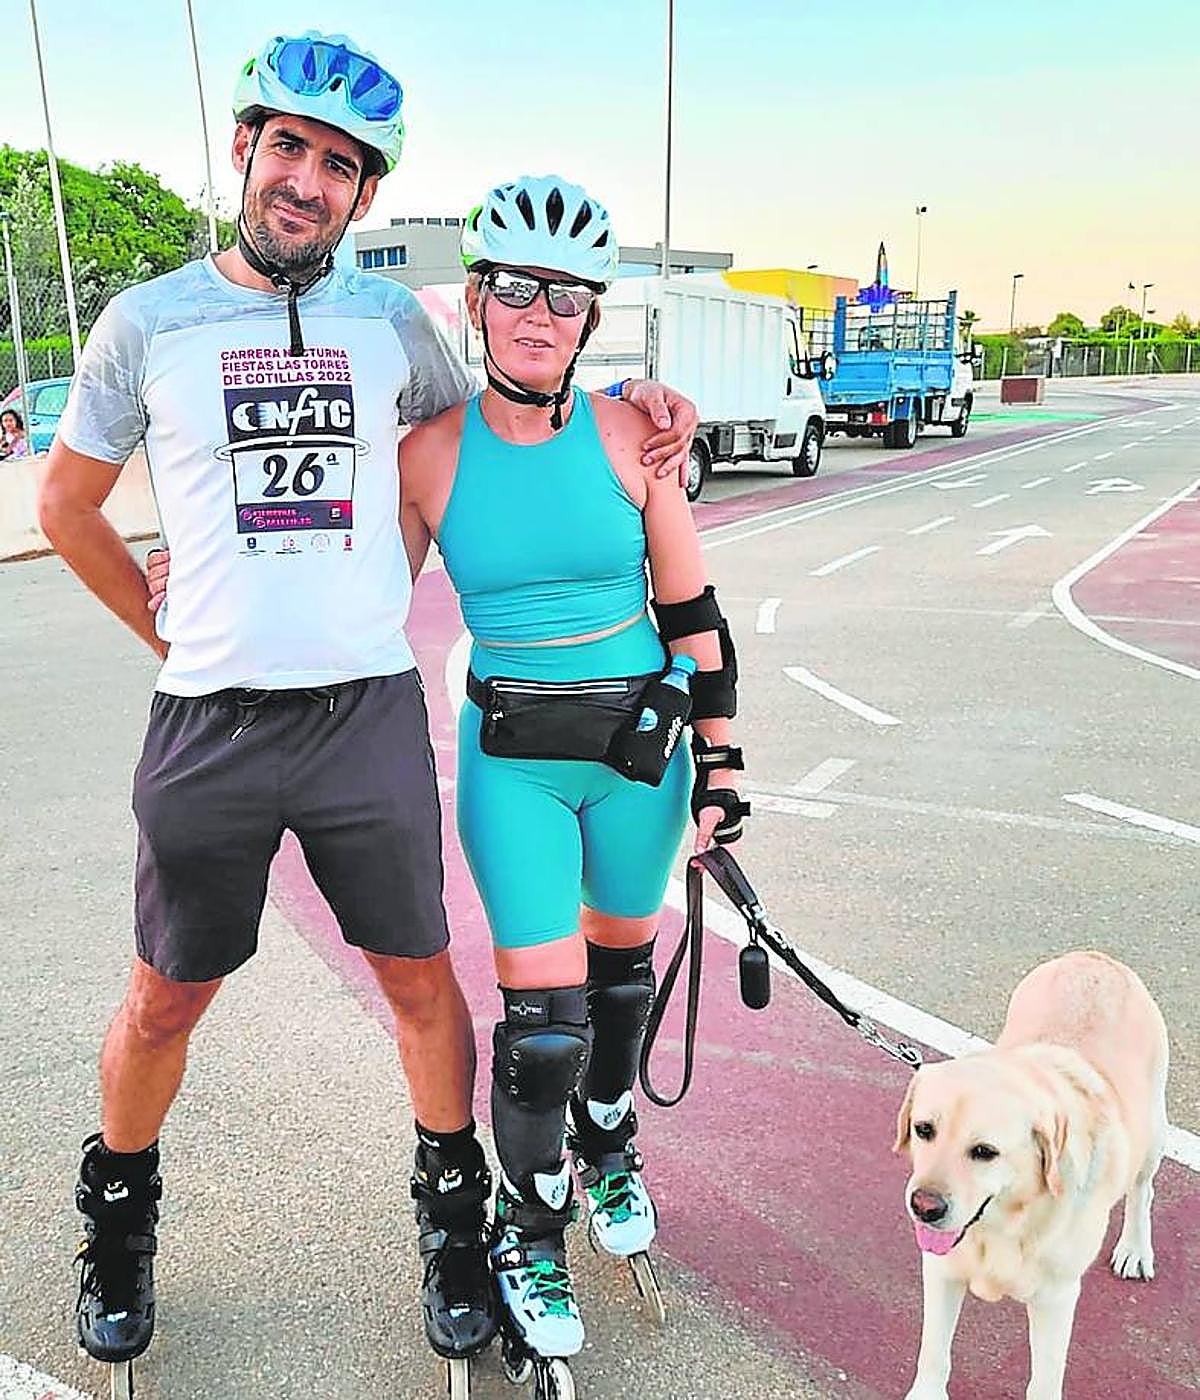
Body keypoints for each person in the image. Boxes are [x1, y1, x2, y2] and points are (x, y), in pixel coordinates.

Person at [36, 31, 697, 1384]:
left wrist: (642, 406)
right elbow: (64, 507)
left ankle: (459, 1237)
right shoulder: (145, 320)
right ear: (244, 150)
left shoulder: (392, 327)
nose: (308, 181)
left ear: (363, 192)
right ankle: (117, 1222)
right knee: (166, 997)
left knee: (417, 983)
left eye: (340, 166)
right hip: (208, 722)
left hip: (365, 718)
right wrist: (158, 617)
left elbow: (525, 413)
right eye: (290, 148)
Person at [397, 175, 747, 1367]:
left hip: (636, 757)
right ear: (477, 302)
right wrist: (212, 565)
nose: (536, 312)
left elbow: (692, 606)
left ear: (590, 316)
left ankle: (611, 1141)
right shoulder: (427, 457)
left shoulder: (632, 432)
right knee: (539, 1028)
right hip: (519, 770)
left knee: (620, 989)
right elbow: (349, 595)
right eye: (514, 289)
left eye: (564, 294)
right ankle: (527, 1226)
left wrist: (722, 769)